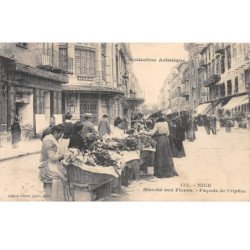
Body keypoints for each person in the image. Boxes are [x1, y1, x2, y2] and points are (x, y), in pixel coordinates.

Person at [39, 124, 71, 201]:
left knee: (66, 176)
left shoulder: (53, 139)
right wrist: (64, 155)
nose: (61, 136)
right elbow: (52, 158)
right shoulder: (49, 141)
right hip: (48, 167)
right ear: (56, 132)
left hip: (53, 165)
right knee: (62, 179)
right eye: (61, 134)